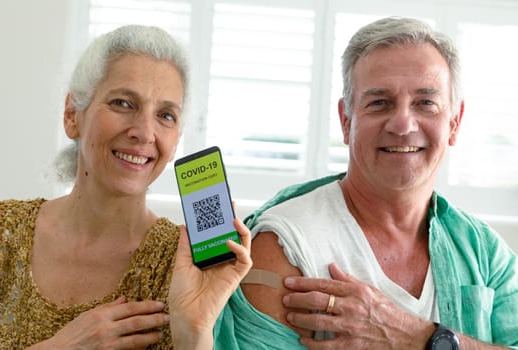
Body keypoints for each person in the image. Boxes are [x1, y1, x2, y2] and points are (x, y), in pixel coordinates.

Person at [214, 17, 518, 349]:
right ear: (347, 121)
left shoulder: (483, 253)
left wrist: (417, 336)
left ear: (454, 123)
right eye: (379, 103)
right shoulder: (285, 245)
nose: (402, 124)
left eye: (425, 103)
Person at [0, 25, 252, 349]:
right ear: (72, 115)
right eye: (123, 103)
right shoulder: (0, 232)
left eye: (166, 115)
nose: (144, 132)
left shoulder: (186, 268)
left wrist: (195, 331)